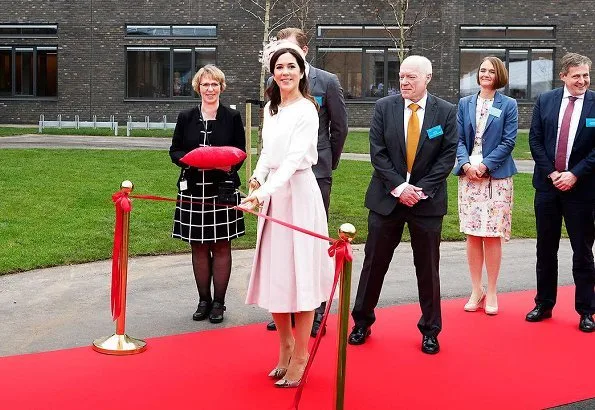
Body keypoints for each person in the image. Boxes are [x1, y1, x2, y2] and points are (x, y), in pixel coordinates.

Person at [348, 55, 457, 354]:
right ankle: (361, 322)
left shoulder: (446, 112)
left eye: (411, 77)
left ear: (428, 77)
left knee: (428, 268)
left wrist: (420, 190)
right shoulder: (384, 107)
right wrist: (399, 187)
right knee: (374, 265)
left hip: (427, 202)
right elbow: (377, 152)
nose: (404, 82)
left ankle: (430, 329)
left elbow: (447, 156)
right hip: (387, 200)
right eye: (401, 77)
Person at [241, 41, 334, 387]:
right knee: (278, 274)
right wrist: (256, 178)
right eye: (279, 67)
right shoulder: (271, 108)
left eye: (291, 67)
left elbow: (294, 159)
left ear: (301, 71)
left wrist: (263, 192)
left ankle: (301, 354)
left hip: (298, 194)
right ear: (273, 73)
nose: (285, 72)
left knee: (302, 277)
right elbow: (268, 152)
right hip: (274, 195)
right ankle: (285, 345)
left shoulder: (308, 109)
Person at [264, 27, 348, 337]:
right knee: (283, 245)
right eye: (278, 59)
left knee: (310, 244)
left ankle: (313, 313)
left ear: (304, 51)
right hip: (279, 183)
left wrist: (328, 164)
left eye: (290, 55)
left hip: (314, 173)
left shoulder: (327, 81)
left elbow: (339, 128)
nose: (284, 68)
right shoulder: (274, 88)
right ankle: (285, 306)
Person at [169, 64, 246, 324]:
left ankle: (219, 304)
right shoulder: (186, 117)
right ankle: (203, 300)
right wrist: (192, 161)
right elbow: (175, 151)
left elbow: (240, 152)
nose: (210, 89)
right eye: (205, 85)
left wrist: (228, 164)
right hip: (193, 190)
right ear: (198, 88)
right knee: (199, 247)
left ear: (221, 87)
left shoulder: (232, 118)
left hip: (222, 190)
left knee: (222, 247)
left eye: (214, 84)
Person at [526, 52, 595, 332]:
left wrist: (574, 174)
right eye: (576, 75)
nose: (582, 81)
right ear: (563, 75)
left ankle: (586, 310)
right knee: (546, 249)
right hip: (547, 187)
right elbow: (535, 139)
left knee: (582, 251)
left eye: (586, 75)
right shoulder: (545, 100)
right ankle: (544, 303)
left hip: (583, 189)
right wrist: (553, 173)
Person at [453, 56, 518, 316]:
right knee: (473, 234)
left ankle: (491, 290)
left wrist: (485, 165)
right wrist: (467, 165)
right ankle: (475, 289)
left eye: (491, 71)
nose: (485, 74)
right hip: (469, 177)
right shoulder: (465, 103)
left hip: (496, 178)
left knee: (491, 235)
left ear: (499, 75)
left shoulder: (509, 104)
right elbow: (456, 139)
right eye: (482, 70)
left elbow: (509, 141)